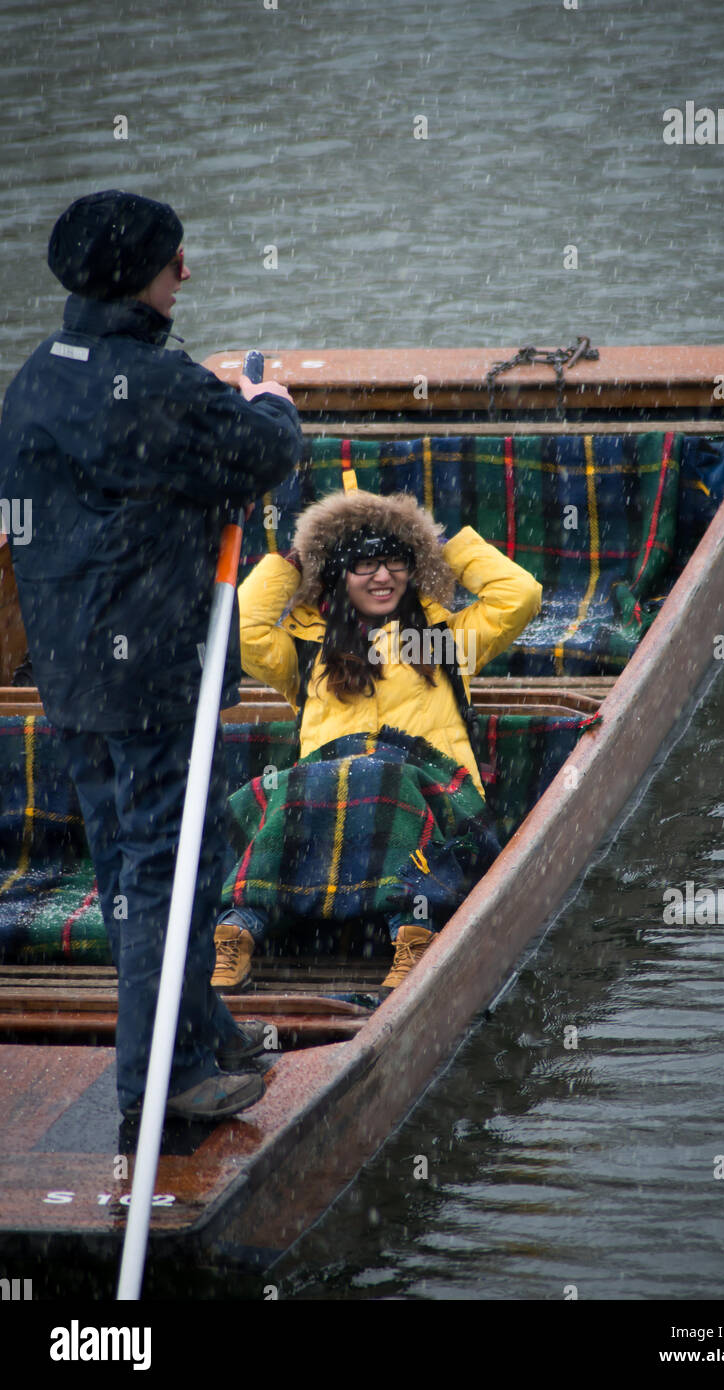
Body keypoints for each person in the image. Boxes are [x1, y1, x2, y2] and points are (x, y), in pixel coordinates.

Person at [0, 190, 303, 1120]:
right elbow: (263, 455)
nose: (188, 270)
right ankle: (157, 1091)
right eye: (176, 258)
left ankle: (202, 1030)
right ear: (142, 274)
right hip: (157, 679)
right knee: (167, 879)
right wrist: (269, 403)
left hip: (70, 677)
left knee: (131, 865)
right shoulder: (167, 388)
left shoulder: (36, 377)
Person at [211, 486, 542, 992]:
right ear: (339, 575)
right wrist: (295, 561)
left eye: (395, 562)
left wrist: (440, 542)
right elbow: (240, 628)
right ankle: (236, 932)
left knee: (379, 776)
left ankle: (412, 934)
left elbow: (520, 596)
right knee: (304, 788)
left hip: (429, 796)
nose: (383, 576)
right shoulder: (306, 652)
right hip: (326, 800)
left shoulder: (447, 639)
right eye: (364, 564)